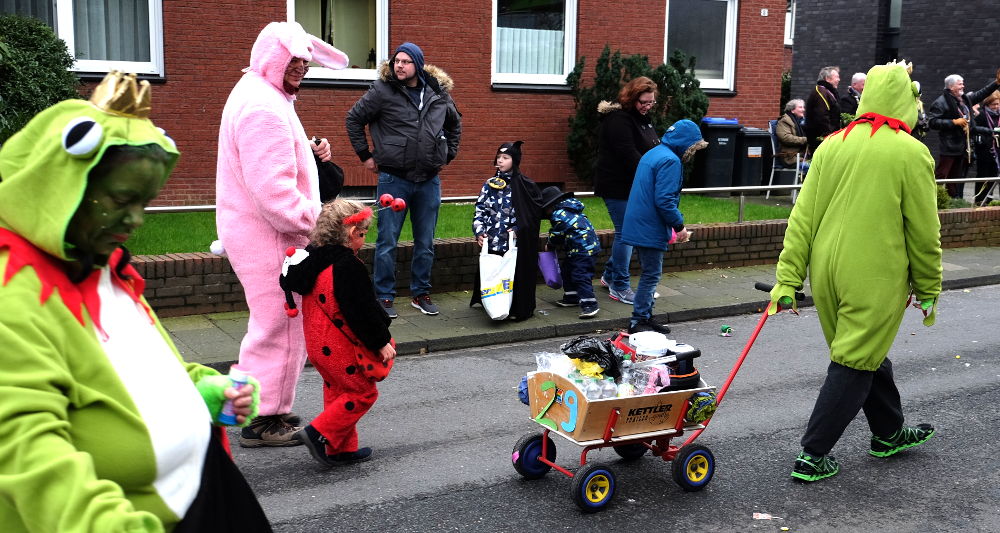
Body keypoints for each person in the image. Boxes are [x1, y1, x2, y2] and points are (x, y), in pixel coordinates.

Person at [0, 72, 272, 531]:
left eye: (145, 201)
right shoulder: (14, 296)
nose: (138, 219)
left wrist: (203, 390)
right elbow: (28, 459)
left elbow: (138, 370)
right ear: (62, 188)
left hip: (207, 490)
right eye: (123, 199)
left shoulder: (102, 265)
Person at [769, 61, 942, 483]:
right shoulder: (910, 152)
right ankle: (813, 454)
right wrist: (929, 285)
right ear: (905, 100)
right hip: (875, 273)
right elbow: (923, 230)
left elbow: (802, 218)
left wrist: (788, 279)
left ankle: (888, 433)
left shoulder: (832, 144)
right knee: (854, 361)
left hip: (827, 272)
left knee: (864, 353)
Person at [216, 21, 349, 447]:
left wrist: (307, 155)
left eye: (305, 63)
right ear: (272, 55)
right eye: (293, 60)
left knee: (268, 325)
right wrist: (319, 223)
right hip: (272, 236)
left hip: (256, 231)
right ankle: (262, 420)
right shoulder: (264, 107)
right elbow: (274, 194)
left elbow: (268, 168)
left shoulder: (261, 95)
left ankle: (241, 410)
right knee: (279, 326)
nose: (301, 69)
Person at [346, 41, 463, 319]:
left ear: (417, 65)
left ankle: (420, 293)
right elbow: (353, 119)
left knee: (426, 242)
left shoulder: (437, 91)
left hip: (428, 180)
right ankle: (384, 296)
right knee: (387, 240)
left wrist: (447, 155)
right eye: (396, 61)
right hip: (393, 178)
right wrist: (365, 156)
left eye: (405, 61)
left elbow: (454, 123)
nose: (399, 65)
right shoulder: (382, 91)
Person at [279, 200, 395, 466]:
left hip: (318, 345)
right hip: (340, 345)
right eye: (363, 234)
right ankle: (319, 433)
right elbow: (361, 310)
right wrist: (380, 341)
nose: (363, 241)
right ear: (352, 233)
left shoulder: (312, 261)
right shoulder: (347, 266)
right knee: (362, 393)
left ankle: (340, 450)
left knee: (338, 392)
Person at [621, 120, 704, 334]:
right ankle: (639, 321)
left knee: (649, 273)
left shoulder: (654, 153)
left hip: (639, 221)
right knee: (651, 274)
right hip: (650, 225)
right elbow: (665, 200)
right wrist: (679, 226)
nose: (692, 153)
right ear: (686, 144)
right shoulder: (670, 161)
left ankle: (645, 318)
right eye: (693, 148)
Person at [593, 76, 662, 305]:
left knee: (628, 233)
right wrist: (653, 176)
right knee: (627, 234)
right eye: (643, 102)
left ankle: (609, 275)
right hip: (617, 186)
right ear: (632, 98)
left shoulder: (643, 119)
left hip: (634, 187)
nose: (647, 106)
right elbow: (628, 155)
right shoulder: (619, 120)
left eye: (651, 102)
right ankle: (619, 286)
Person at [470, 141, 543, 320]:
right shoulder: (489, 184)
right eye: (498, 157)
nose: (500, 161)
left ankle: (516, 307)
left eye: (506, 157)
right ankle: (493, 304)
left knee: (514, 274)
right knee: (494, 271)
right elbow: (480, 208)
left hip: (514, 241)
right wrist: (479, 231)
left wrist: (520, 228)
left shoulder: (525, 185)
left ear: (515, 160)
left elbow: (533, 212)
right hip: (493, 238)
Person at [927, 70, 1000, 199]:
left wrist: (996, 83)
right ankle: (933, 199)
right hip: (949, 147)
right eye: (960, 84)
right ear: (951, 86)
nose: (963, 86)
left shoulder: (964, 100)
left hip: (962, 147)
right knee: (942, 175)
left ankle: (953, 202)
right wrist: (953, 122)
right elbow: (932, 122)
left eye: (962, 84)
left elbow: (981, 94)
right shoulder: (941, 102)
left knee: (955, 179)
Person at [542, 187, 602, 319]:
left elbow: (558, 232)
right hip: (583, 248)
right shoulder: (570, 210)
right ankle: (572, 297)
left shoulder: (559, 215)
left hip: (583, 250)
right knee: (567, 270)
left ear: (551, 206)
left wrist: (550, 244)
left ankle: (590, 305)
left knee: (580, 275)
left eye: (545, 209)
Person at [805, 66, 842, 152]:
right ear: (827, 79)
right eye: (836, 77)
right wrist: (828, 136)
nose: (839, 79)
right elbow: (822, 116)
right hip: (822, 140)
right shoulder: (821, 92)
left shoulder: (826, 92)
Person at [972, 91, 1000, 204]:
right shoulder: (982, 115)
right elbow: (975, 130)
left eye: (998, 104)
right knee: (983, 176)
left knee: (994, 176)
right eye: (994, 104)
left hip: (997, 151)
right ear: (987, 104)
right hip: (985, 151)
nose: (996, 107)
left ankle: (989, 199)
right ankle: (979, 200)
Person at [776, 98, 809, 169]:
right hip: (790, 158)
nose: (803, 109)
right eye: (800, 107)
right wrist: (806, 139)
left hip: (802, 156)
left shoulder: (801, 122)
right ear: (792, 110)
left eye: (803, 107)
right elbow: (785, 138)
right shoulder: (784, 121)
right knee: (813, 168)